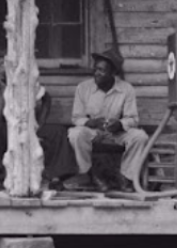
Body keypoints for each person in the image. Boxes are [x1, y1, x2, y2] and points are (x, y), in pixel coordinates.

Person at [0, 51, 76, 187]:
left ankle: (56, 177)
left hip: (28, 126)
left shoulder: (27, 85)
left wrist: (40, 123)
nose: (2, 68)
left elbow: (46, 98)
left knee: (58, 131)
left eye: (6, 64)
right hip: (6, 129)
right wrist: (5, 89)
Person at [63, 49, 149, 192]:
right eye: (95, 69)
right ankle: (87, 175)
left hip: (116, 133)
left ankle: (126, 178)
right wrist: (91, 123)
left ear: (113, 73)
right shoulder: (83, 88)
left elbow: (133, 119)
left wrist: (120, 124)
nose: (96, 73)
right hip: (93, 131)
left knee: (140, 137)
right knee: (75, 134)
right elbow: (76, 118)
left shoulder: (126, 89)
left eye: (101, 70)